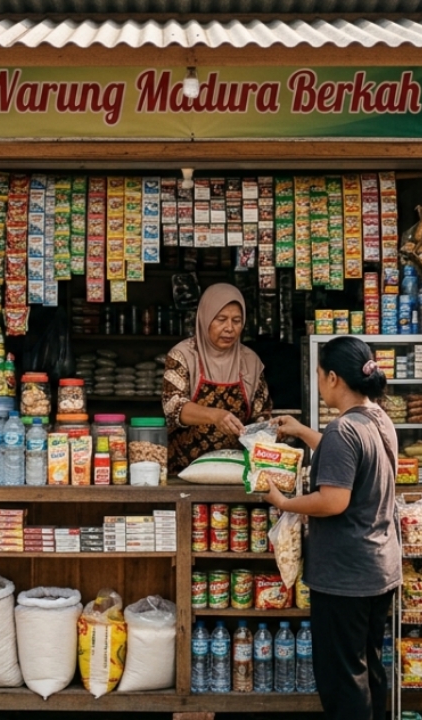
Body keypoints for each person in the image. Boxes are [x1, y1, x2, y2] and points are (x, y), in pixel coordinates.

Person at [263, 336, 401, 720]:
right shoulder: (377, 418)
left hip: (346, 576)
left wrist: (284, 503)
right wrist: (304, 432)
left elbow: (334, 500)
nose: (320, 381)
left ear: (334, 378)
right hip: (378, 569)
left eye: (320, 374)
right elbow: (350, 457)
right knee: (369, 670)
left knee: (343, 682)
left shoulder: (344, 429)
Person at [162, 283, 272, 473]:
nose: (229, 328)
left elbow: (261, 415)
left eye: (236, 321)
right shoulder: (183, 355)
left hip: (236, 470)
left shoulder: (250, 361)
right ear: (205, 318)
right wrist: (215, 416)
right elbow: (173, 407)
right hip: (184, 469)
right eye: (221, 319)